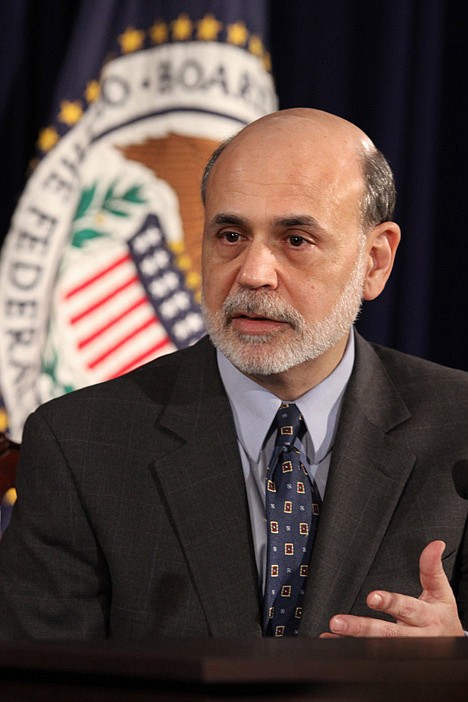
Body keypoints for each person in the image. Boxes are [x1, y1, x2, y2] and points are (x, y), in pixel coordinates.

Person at [0, 108, 467, 639]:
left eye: (295, 239)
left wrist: (454, 665)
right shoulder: (81, 444)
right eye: (230, 234)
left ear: (375, 261)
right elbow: (41, 683)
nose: (253, 273)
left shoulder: (459, 431)